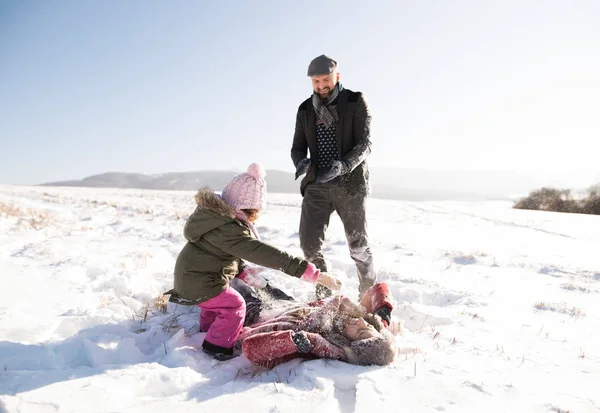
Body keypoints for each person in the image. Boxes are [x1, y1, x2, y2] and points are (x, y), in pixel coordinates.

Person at [164, 163, 342, 361]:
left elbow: (218, 255)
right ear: (246, 208)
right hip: (200, 282)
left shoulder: (215, 222)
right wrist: (309, 272)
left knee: (213, 305)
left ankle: (207, 333)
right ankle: (216, 348)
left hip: (191, 278)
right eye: (255, 212)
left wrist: (241, 271)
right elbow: (266, 254)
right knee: (235, 306)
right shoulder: (229, 230)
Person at [291, 54, 375, 300]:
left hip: (350, 185)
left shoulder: (355, 101)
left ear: (337, 76)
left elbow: (366, 144)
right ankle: (326, 293)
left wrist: (344, 165)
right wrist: (301, 162)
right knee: (308, 246)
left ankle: (368, 296)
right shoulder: (305, 109)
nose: (321, 86)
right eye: (315, 81)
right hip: (317, 184)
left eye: (325, 80)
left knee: (358, 247)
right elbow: (297, 147)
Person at [233, 281, 397, 368]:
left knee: (231, 277)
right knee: (253, 275)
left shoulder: (318, 343)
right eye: (367, 327)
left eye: (361, 332)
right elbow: (379, 288)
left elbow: (250, 348)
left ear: (349, 344)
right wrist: (383, 316)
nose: (361, 322)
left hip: (256, 313)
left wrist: (293, 341)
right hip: (288, 304)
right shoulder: (358, 318)